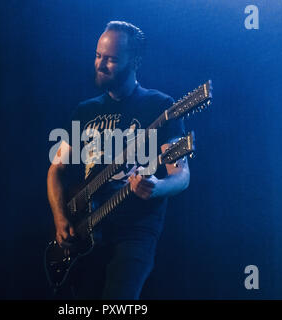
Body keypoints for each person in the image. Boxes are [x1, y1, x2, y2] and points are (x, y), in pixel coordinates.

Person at [47, 21, 190, 299]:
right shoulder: (85, 111)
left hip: (134, 232)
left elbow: (181, 174)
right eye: (98, 56)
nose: (100, 64)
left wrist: (157, 187)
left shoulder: (160, 106)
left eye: (111, 59)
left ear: (134, 61)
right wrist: (60, 218)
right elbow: (56, 170)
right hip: (85, 233)